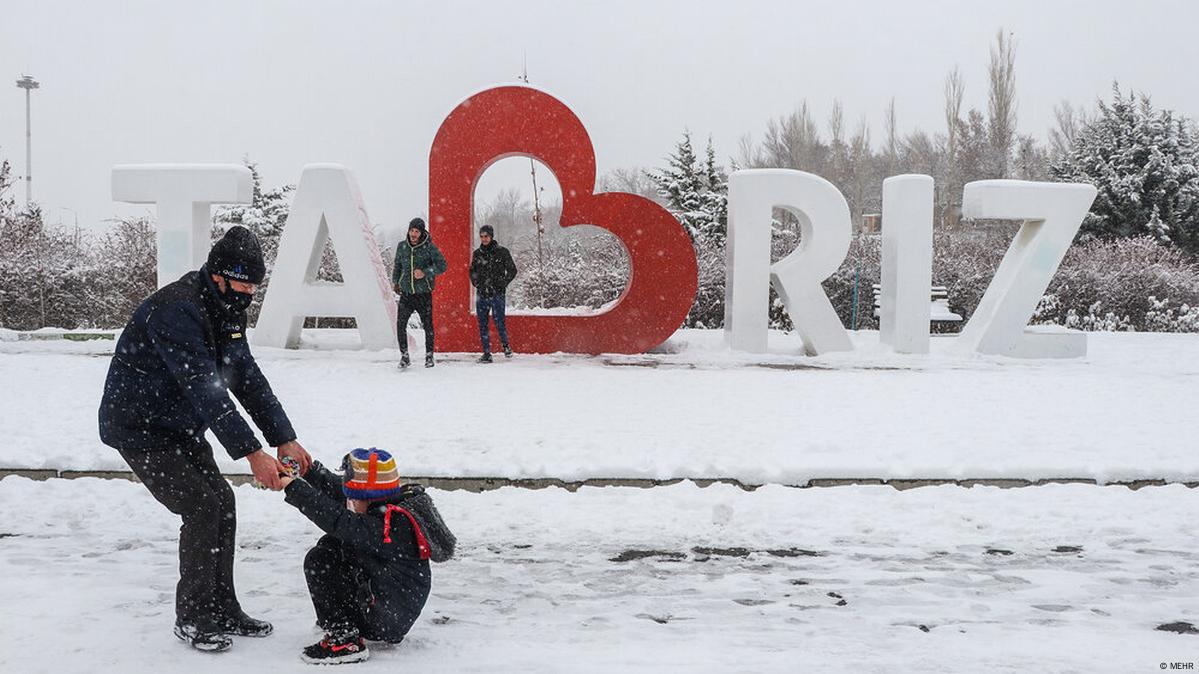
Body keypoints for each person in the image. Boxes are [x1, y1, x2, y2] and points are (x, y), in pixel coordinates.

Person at [98, 225, 312, 652]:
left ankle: (222, 606)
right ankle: (193, 616)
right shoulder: (175, 310)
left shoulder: (227, 308)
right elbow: (206, 386)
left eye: (255, 284)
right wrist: (252, 453)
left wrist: (284, 438)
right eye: (245, 283)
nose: (250, 292)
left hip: (179, 423)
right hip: (140, 428)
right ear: (219, 276)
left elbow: (246, 377)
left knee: (222, 503)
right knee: (201, 506)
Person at [280, 448, 455, 665]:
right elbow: (339, 494)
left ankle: (344, 640)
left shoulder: (389, 526)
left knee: (320, 560)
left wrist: (291, 486)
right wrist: (309, 471)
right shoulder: (389, 506)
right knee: (331, 546)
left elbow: (336, 519)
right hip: (391, 606)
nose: (349, 501)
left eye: (353, 497)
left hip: (387, 619)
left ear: (369, 497)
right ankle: (344, 618)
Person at [392, 218, 447, 368]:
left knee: (428, 326)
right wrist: (396, 281)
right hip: (407, 294)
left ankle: (429, 356)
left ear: (422, 233)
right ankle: (404, 356)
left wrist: (425, 272)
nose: (413, 234)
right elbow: (397, 265)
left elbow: (443, 265)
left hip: (424, 294)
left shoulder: (429, 247)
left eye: (416, 231)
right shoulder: (402, 246)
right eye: (411, 231)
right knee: (400, 325)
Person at [468, 224, 518, 363]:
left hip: (497, 293)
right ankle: (486, 353)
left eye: (486, 236)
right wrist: (476, 283)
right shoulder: (477, 254)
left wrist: (503, 283)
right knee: (482, 324)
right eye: (482, 236)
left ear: (491, 236)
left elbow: (513, 270)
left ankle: (506, 345)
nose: (484, 239)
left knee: (499, 322)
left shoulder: (502, 252)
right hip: (482, 293)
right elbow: (472, 271)